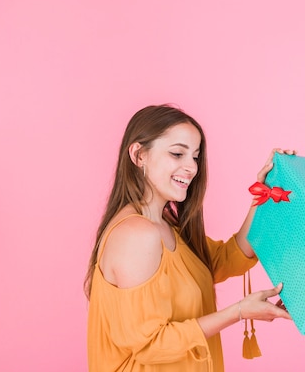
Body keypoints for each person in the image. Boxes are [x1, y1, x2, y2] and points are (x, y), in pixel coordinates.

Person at [84, 104, 292, 372]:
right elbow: (150, 345)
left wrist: (264, 192)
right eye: (177, 153)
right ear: (138, 155)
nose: (191, 168)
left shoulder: (167, 226)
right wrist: (239, 311)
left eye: (194, 157)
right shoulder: (137, 235)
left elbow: (226, 259)